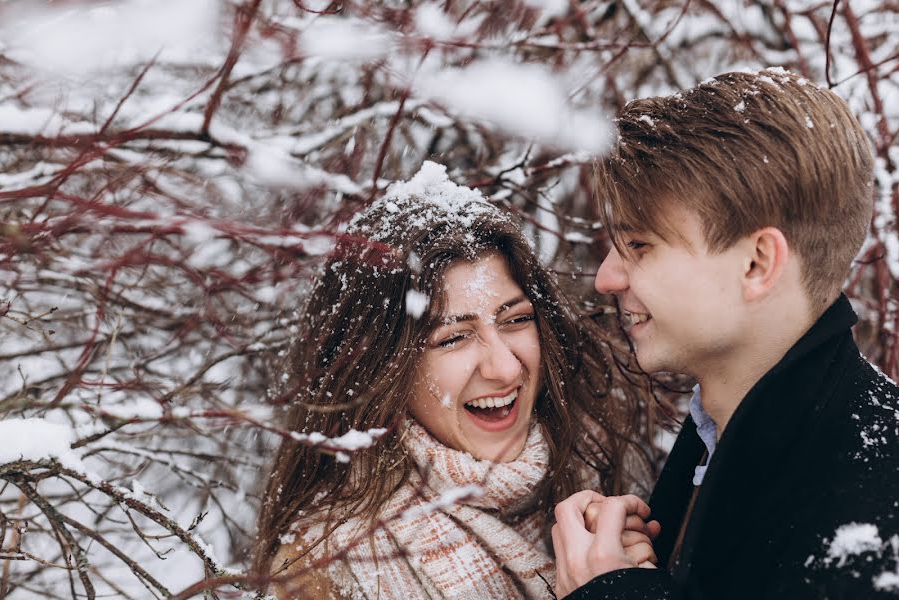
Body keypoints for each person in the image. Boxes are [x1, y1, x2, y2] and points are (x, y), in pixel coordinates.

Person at [552, 68, 899, 599]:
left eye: (639, 244)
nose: (606, 277)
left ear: (758, 263)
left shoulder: (870, 515)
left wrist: (613, 593)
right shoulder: (728, 429)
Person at [253, 161, 659, 599]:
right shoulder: (330, 571)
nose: (504, 368)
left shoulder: (605, 469)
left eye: (517, 319)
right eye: (453, 339)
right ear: (383, 367)